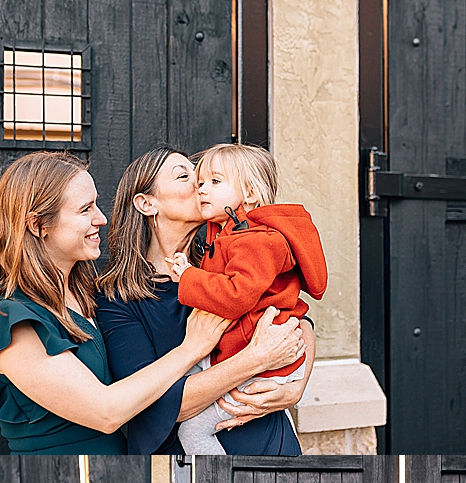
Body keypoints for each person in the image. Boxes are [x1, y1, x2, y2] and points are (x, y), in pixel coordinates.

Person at [0, 151, 266, 455]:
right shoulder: (7, 319)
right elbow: (106, 412)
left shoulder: (83, 294)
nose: (100, 218)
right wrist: (194, 349)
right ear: (37, 224)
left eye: (96, 206)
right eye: (85, 210)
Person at [96, 145, 312, 455]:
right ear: (147, 203)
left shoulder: (225, 263)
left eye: (208, 178)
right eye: (185, 176)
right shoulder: (116, 298)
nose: (201, 184)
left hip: (270, 441)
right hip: (189, 461)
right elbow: (154, 405)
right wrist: (256, 359)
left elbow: (295, 318)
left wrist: (295, 387)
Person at [165, 143, 326, 455]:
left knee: (193, 432)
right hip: (248, 356)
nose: (201, 190)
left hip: (264, 371)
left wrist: (188, 276)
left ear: (250, 194)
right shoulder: (230, 235)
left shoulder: (256, 241)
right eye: (199, 183)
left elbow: (236, 294)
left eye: (214, 182)